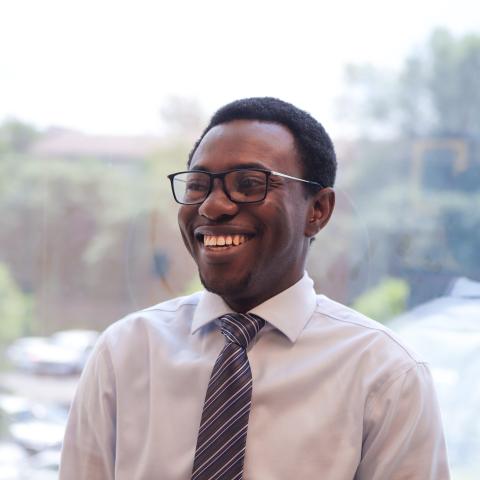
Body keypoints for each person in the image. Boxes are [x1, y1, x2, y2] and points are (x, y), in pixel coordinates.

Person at [59, 97, 450, 479]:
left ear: (318, 211)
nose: (212, 207)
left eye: (248, 184)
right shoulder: (125, 353)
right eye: (198, 185)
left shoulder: (386, 375)